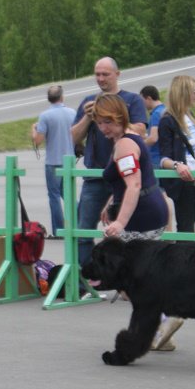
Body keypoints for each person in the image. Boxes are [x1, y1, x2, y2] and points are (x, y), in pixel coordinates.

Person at [91, 93, 175, 350]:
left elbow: (134, 184)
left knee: (127, 278)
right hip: (149, 209)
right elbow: (127, 182)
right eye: (99, 122)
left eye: (108, 122)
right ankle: (160, 330)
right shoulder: (127, 139)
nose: (103, 128)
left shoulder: (125, 145)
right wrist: (110, 204)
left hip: (142, 214)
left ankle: (165, 319)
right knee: (140, 276)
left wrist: (120, 223)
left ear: (120, 117)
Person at [71, 57, 147, 266]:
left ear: (117, 74)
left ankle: (124, 280)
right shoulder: (88, 102)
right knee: (83, 230)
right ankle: (87, 281)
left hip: (123, 177)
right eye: (97, 74)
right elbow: (71, 139)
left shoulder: (132, 100)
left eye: (105, 74)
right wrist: (88, 117)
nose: (101, 78)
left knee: (125, 231)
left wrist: (112, 116)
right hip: (95, 176)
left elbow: (141, 131)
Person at [158, 75, 195, 233]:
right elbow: (163, 159)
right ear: (184, 93)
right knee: (186, 229)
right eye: (194, 91)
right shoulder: (167, 120)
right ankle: (182, 258)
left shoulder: (189, 116)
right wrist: (178, 165)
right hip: (184, 183)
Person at [31, 85, 75, 238]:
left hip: (53, 161)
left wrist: (33, 129)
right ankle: (78, 224)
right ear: (62, 97)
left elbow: (38, 140)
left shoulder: (45, 116)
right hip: (69, 160)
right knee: (68, 194)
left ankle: (58, 230)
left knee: (54, 196)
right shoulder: (72, 113)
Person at [140, 85, 165, 168]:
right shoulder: (165, 110)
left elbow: (153, 138)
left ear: (149, 98)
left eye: (142, 100)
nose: (142, 104)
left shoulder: (156, 114)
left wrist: (139, 145)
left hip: (156, 158)